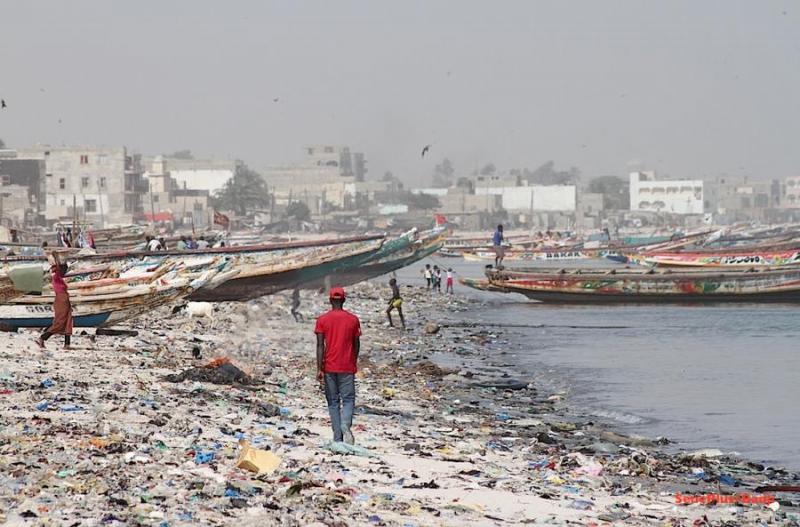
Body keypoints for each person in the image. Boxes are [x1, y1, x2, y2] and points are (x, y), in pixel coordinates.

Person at [315, 287, 361, 444]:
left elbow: (320, 345)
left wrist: (319, 368)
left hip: (329, 366)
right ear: (343, 300)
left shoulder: (323, 319)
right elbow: (356, 344)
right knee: (348, 399)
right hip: (347, 366)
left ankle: (337, 438)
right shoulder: (353, 320)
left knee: (333, 402)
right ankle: (345, 425)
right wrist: (353, 361)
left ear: (330, 300)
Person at [36, 253, 73, 350]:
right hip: (61, 299)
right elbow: (60, 266)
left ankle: (67, 344)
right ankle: (42, 338)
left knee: (68, 321)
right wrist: (55, 256)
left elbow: (61, 267)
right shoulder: (56, 275)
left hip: (64, 298)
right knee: (60, 322)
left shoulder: (57, 276)